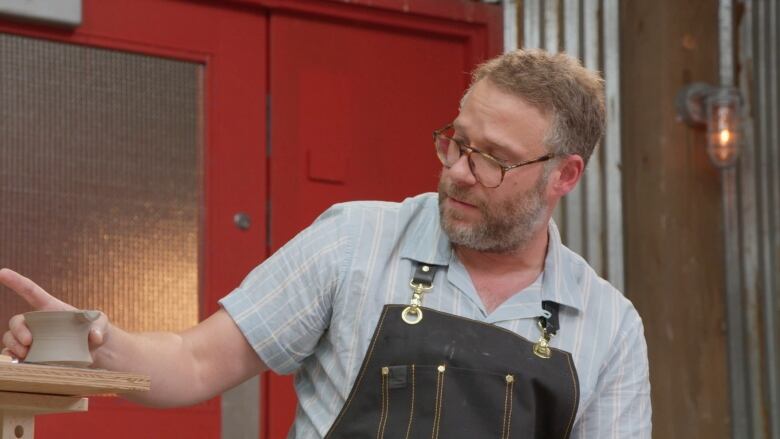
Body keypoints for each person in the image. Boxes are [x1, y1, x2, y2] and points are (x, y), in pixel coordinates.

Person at [2, 48, 651, 438]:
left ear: (564, 175)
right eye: (456, 141)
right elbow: (196, 361)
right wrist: (97, 344)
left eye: (493, 159)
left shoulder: (607, 325)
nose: (457, 169)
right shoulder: (354, 241)